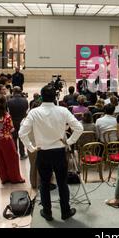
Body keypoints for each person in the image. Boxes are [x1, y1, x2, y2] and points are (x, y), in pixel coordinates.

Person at [19, 84, 84, 221]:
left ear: (42, 97)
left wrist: (31, 148)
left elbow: (22, 133)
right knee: (62, 183)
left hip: (43, 153)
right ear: (55, 96)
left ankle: (47, 212)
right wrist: (69, 142)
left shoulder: (34, 112)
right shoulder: (63, 110)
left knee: (44, 183)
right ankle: (65, 211)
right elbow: (79, 128)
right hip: (60, 152)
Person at [0, 95, 25, 184]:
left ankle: (4, 178)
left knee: (1, 159)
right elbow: (11, 129)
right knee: (12, 159)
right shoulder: (6, 116)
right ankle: (15, 178)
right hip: (7, 140)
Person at [8, 86, 29, 159]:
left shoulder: (9, 101)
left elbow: (8, 112)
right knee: (21, 137)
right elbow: (26, 110)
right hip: (22, 121)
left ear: (13, 92)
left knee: (14, 138)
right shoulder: (25, 100)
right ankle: (22, 154)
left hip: (13, 121)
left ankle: (14, 154)